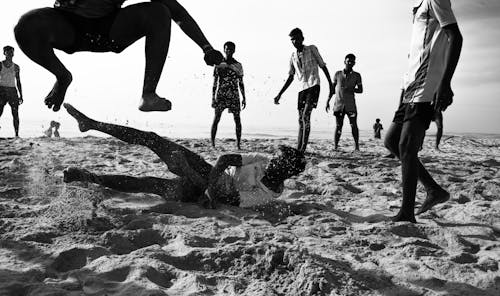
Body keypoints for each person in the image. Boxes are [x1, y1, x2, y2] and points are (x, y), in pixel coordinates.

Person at [62, 103, 307, 209]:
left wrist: (189, 173)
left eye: (278, 162)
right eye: (274, 157)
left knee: (147, 184)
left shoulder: (270, 194)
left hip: (198, 192)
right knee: (152, 138)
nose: (271, 161)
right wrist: (192, 170)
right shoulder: (263, 160)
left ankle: (88, 176)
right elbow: (223, 160)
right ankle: (91, 124)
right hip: (208, 172)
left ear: (288, 170)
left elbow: (223, 199)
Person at [14, 0, 223, 112]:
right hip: (66, 25)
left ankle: (148, 94)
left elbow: (178, 12)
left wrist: (206, 47)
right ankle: (62, 77)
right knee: (26, 25)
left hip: (109, 30)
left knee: (159, 11)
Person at [384, 0, 462, 222]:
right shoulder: (420, 6)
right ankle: (433, 190)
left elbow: (455, 37)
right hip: (411, 85)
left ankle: (407, 213)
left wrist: (445, 83)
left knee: (407, 146)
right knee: (391, 141)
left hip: (427, 86)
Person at [274, 28, 333, 152]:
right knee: (300, 119)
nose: (295, 41)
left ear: (302, 38)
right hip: (302, 89)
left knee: (306, 115)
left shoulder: (311, 49)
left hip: (314, 85)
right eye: (292, 39)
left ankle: (303, 149)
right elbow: (291, 76)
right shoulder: (293, 56)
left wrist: (330, 84)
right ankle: (298, 147)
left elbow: (322, 66)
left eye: (297, 38)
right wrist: (280, 94)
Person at [211, 41, 246, 149]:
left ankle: (238, 144)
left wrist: (244, 97)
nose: (229, 51)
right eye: (227, 49)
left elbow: (241, 82)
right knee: (216, 118)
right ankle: (212, 143)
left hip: (234, 95)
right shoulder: (219, 65)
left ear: (234, 50)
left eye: (231, 49)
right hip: (221, 95)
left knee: (237, 119)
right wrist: (213, 98)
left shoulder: (238, 65)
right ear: (224, 50)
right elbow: (215, 83)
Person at [331, 54, 363, 151]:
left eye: (352, 61)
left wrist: (352, 89)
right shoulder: (337, 74)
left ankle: (357, 147)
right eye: (348, 61)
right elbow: (332, 89)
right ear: (344, 61)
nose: (350, 63)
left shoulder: (357, 75)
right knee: (338, 126)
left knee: (353, 125)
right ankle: (336, 146)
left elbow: (360, 90)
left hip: (350, 105)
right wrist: (328, 100)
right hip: (338, 104)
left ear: (354, 63)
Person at [0, 46, 23, 137]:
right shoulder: (0, 65)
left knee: (15, 113)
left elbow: (18, 81)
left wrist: (21, 95)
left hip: (12, 90)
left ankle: (16, 134)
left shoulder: (16, 67)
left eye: (12, 52)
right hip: (2, 90)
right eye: (8, 52)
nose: (10, 53)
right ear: (4, 53)